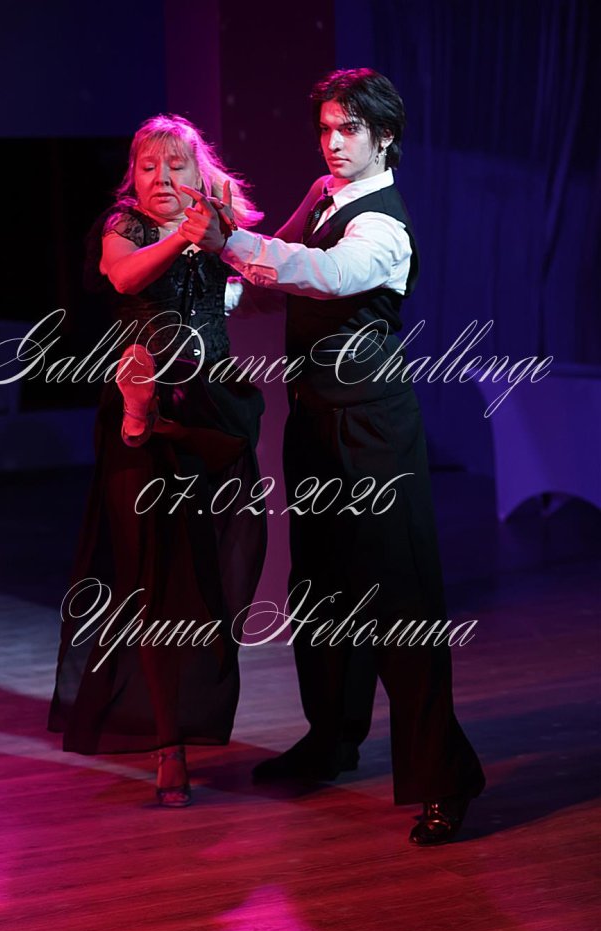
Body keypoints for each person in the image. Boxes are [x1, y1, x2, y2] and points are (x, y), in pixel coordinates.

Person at [179, 69, 485, 844]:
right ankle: (331, 738)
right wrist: (212, 286)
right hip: (315, 419)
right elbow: (276, 266)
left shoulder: (383, 226)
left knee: (400, 604)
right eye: (326, 128)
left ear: (385, 136)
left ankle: (446, 778)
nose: (334, 142)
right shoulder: (325, 195)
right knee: (320, 589)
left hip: (373, 428)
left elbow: (326, 275)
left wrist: (231, 242)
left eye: (349, 128)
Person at [48, 115, 266, 806]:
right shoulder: (127, 225)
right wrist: (183, 236)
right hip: (142, 402)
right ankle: (169, 743)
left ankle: (195, 709)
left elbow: (257, 269)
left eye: (176, 165)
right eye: (149, 167)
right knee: (151, 580)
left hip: (214, 404)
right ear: (133, 176)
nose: (162, 178)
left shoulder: (216, 222)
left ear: (199, 172)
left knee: (228, 561)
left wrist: (228, 254)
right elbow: (121, 276)